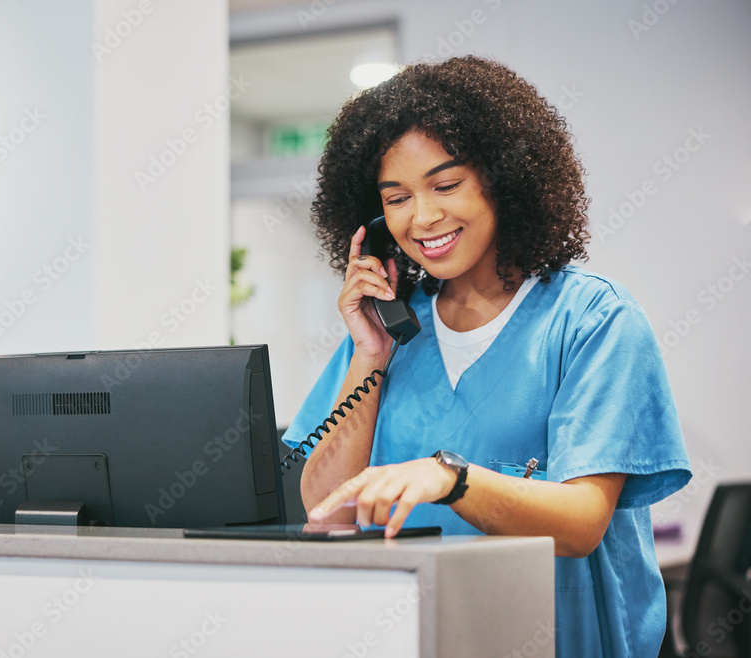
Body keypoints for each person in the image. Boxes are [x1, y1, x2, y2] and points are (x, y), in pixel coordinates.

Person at [282, 55, 692, 656]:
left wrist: (451, 479)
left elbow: (580, 522)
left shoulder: (593, 320)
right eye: (396, 199)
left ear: (504, 180)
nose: (422, 218)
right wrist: (370, 353)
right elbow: (326, 509)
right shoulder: (387, 331)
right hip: (419, 634)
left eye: (446, 185)